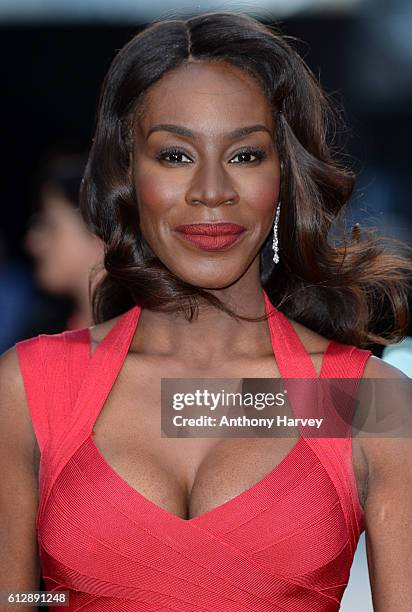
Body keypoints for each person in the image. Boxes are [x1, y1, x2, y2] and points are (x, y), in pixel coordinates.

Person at [1, 11, 411, 611]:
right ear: (128, 173)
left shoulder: (359, 401)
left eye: (245, 156)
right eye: (174, 155)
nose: (211, 190)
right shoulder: (31, 389)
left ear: (285, 177)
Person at [24, 153, 105, 331]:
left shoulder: (147, 340)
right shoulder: (43, 331)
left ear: (99, 234)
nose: (33, 241)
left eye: (49, 225)